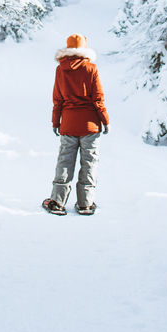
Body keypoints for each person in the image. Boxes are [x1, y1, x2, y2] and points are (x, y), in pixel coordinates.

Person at [42, 33, 109, 216]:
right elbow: (98, 98)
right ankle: (85, 204)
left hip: (69, 125)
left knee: (64, 162)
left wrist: (56, 121)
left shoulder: (60, 70)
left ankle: (57, 202)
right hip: (90, 126)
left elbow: (58, 100)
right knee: (89, 163)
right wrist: (105, 120)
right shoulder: (91, 69)